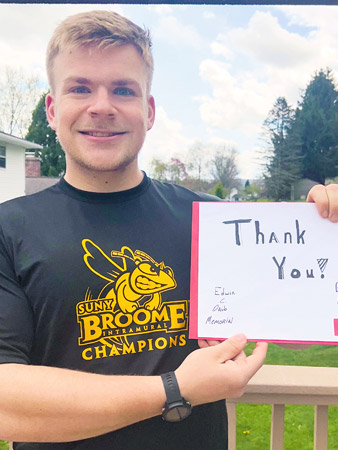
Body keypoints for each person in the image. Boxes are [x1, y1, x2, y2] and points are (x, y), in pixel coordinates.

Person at [0, 10, 336, 450]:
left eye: (123, 90)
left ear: (149, 110)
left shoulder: (216, 223)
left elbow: (299, 324)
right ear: (52, 108)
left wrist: (324, 236)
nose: (101, 106)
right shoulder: (10, 230)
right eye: (80, 88)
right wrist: (174, 389)